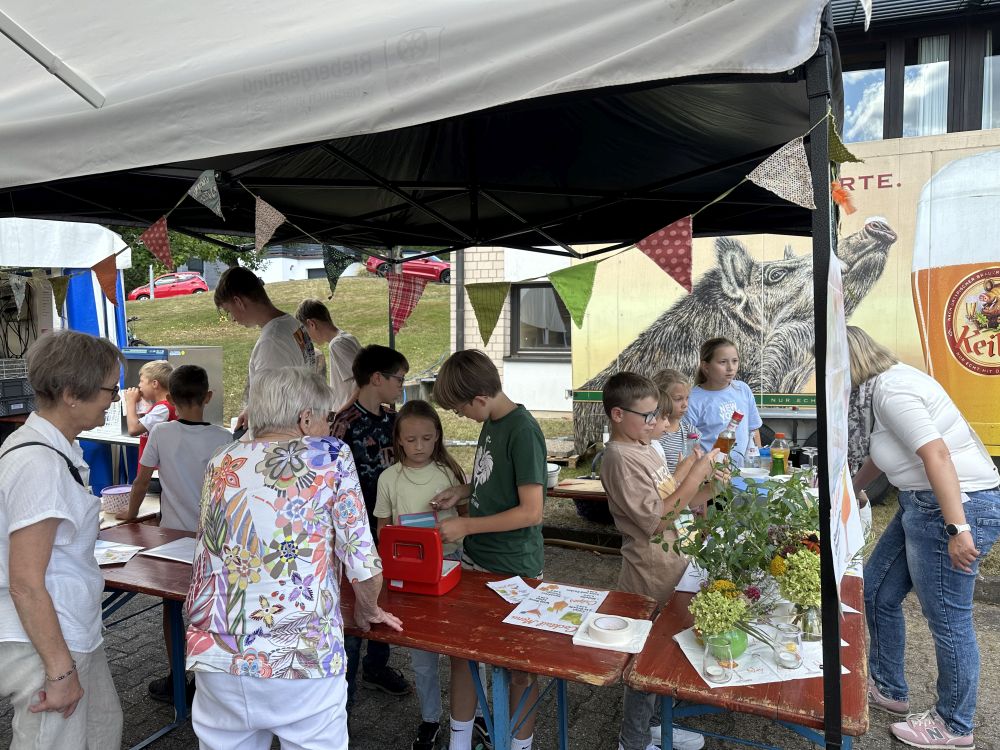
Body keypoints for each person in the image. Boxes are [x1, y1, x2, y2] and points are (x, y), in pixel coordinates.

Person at [184, 367, 402, 750]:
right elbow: (362, 558)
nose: (330, 426)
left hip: (217, 653)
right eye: (327, 417)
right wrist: (368, 607)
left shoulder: (222, 459)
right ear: (305, 420)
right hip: (300, 656)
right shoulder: (329, 455)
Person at [847, 326, 999, 749]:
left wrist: (958, 529)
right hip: (921, 503)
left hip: (953, 508)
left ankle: (954, 725)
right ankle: (888, 688)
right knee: (876, 590)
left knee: (948, 619)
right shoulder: (881, 388)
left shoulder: (891, 391)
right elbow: (886, 453)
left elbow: (937, 454)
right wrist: (853, 488)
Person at [0, 330, 126, 749]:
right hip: (47, 641)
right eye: (110, 389)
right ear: (72, 394)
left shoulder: (50, 449)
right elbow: (25, 582)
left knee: (101, 729)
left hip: (68, 630)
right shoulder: (39, 463)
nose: (113, 399)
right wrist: (59, 671)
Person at [431, 349, 546, 750]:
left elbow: (531, 511)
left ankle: (519, 745)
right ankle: (460, 741)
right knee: (462, 656)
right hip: (477, 561)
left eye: (460, 409)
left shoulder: (523, 430)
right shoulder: (492, 421)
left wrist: (466, 525)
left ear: (479, 398)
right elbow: (496, 482)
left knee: (518, 668)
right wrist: (463, 491)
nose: (462, 416)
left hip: (515, 568)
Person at [600, 372, 720, 750]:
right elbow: (656, 521)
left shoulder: (646, 447)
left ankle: (654, 725)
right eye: (648, 416)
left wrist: (710, 484)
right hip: (648, 575)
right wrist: (695, 475)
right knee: (645, 662)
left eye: (657, 414)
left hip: (673, 565)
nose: (656, 423)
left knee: (664, 654)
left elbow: (674, 499)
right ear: (618, 414)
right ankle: (632, 741)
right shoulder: (619, 458)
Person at [117, 364, 233, 703]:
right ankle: (211, 679)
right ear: (207, 396)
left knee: (172, 609)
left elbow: (141, 481)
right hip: (212, 540)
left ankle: (177, 678)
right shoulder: (224, 438)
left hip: (170, 538)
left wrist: (131, 515)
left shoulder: (161, 433)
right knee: (212, 609)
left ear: (171, 397)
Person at [374, 400, 468, 750]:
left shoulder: (448, 473)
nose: (419, 447)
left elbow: (466, 516)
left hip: (451, 565)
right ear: (398, 439)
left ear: (438, 437)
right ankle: (430, 717)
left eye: (427, 439)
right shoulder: (389, 478)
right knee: (421, 654)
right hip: (409, 576)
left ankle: (474, 715)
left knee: (462, 648)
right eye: (411, 440)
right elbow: (382, 529)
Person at [330, 345, 412, 703]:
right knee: (355, 609)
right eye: (399, 379)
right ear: (377, 378)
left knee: (384, 598)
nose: (401, 386)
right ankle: (343, 691)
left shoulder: (395, 421)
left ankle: (376, 667)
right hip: (354, 535)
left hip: (388, 528)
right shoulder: (343, 423)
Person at [214, 266, 316, 432]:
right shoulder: (291, 324)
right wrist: (251, 408)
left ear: (238, 302)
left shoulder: (272, 342)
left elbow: (273, 409)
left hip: (280, 437)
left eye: (228, 311)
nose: (232, 319)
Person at [686, 337, 762, 467]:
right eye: (723, 362)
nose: (730, 367)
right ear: (706, 366)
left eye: (735, 361)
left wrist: (757, 463)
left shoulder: (743, 389)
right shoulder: (692, 399)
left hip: (744, 472)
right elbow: (688, 443)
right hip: (711, 473)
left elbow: (753, 429)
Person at [295, 298, 362, 411]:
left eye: (305, 333)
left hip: (350, 415)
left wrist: (340, 414)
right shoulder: (348, 338)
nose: (308, 339)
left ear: (311, 324)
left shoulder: (336, 344)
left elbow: (362, 382)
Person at [123, 359, 175, 458]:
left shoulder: (164, 408)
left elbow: (133, 429)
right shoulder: (160, 406)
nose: (139, 385)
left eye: (141, 381)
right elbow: (142, 425)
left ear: (155, 384)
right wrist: (139, 403)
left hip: (156, 466)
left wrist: (130, 402)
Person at [652, 369, 700, 475]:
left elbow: (695, 466)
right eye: (678, 399)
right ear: (661, 398)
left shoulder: (692, 432)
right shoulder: (653, 434)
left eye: (687, 398)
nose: (685, 404)